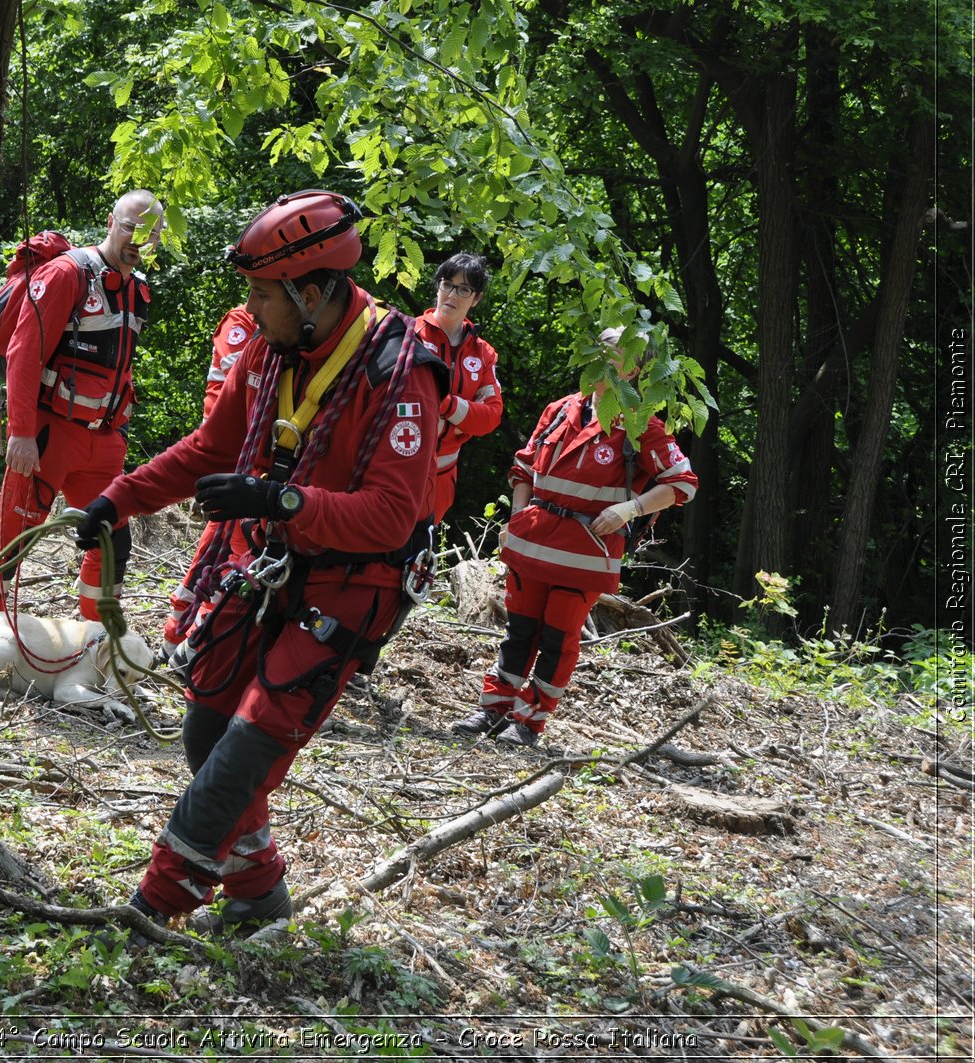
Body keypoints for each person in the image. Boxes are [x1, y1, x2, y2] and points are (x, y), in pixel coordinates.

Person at [75, 190, 447, 936]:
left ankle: (157, 902)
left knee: (247, 746)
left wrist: (280, 502)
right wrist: (117, 500)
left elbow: (390, 514)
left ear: (310, 293)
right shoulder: (270, 349)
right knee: (207, 732)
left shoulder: (400, 369)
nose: (251, 308)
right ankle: (259, 894)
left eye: (261, 294)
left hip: (354, 584)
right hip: (278, 563)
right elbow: (212, 449)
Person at [453, 327, 698, 748]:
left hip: (585, 551)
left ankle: (528, 722)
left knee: (557, 638)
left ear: (636, 365)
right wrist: (517, 517)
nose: (603, 351)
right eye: (600, 343)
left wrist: (630, 509)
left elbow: (682, 484)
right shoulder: (560, 409)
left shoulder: (640, 423)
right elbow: (524, 469)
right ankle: (492, 710)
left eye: (615, 347)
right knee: (519, 631)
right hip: (532, 542)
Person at [0, 190, 163, 621]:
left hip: (104, 442)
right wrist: (20, 432)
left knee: (111, 543)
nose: (138, 238)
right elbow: (24, 352)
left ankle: (100, 638)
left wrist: (118, 435)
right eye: (131, 226)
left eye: (149, 232)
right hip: (48, 433)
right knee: (15, 536)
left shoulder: (138, 288)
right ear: (111, 221)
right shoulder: (67, 273)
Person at [160, 303, 256, 661]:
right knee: (227, 555)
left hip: (251, 462)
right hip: (235, 459)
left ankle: (180, 643)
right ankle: (188, 650)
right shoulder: (243, 323)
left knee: (217, 553)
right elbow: (234, 394)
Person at [412, 253, 503, 524]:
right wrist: (463, 415)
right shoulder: (408, 334)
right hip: (400, 466)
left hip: (443, 475)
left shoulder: (484, 353)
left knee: (420, 550)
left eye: (464, 289)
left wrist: (444, 405)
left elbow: (490, 418)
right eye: (447, 284)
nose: (452, 294)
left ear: (476, 298)